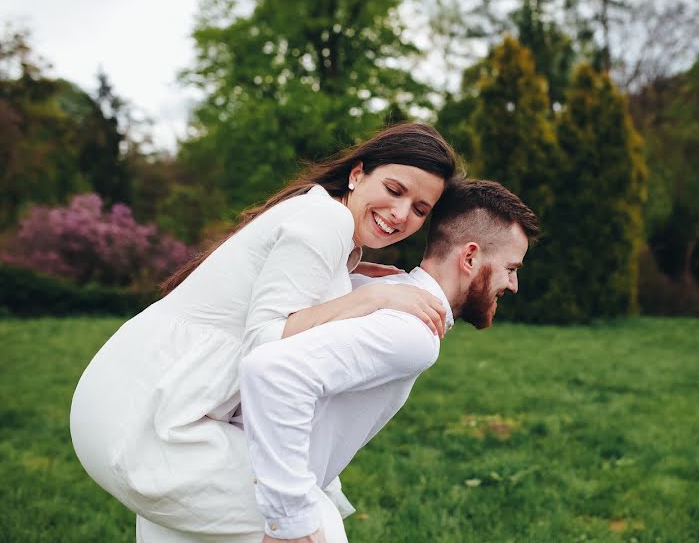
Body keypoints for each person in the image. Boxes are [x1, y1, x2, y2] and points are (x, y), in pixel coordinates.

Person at [69, 123, 460, 542]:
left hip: (120, 399)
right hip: (151, 423)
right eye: (395, 189)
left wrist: (351, 273)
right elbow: (266, 343)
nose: (402, 214)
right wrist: (370, 298)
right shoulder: (325, 220)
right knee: (308, 518)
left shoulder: (322, 218)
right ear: (357, 174)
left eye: (420, 209)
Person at [239, 179, 540, 542]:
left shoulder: (377, 291)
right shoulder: (414, 330)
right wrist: (293, 524)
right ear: (470, 257)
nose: (513, 284)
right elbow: (272, 371)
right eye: (511, 268)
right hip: (250, 493)